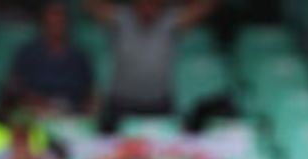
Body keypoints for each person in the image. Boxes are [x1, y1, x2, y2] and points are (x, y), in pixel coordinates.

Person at [87, 0, 215, 131]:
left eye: (152, 4)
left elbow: (203, 7)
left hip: (160, 104)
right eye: (142, 4)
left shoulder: (171, 20)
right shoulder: (120, 18)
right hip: (121, 104)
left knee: (167, 148)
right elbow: (92, 5)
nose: (147, 8)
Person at [7, 1, 95, 116]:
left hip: (71, 115)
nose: (56, 25)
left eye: (60, 20)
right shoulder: (28, 54)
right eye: (52, 20)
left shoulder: (79, 57)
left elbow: (90, 95)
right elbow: (15, 88)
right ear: (43, 23)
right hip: (35, 113)